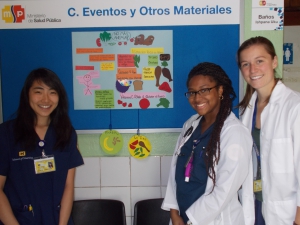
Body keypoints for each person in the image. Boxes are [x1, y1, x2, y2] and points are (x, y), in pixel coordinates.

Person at [162, 62, 254, 225]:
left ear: (220, 90)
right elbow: (175, 173)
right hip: (180, 219)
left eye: (204, 90)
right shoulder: (190, 125)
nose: (197, 98)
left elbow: (225, 190)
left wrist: (190, 220)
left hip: (213, 220)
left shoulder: (234, 132)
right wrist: (174, 214)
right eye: (192, 92)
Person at [0, 68, 84, 225]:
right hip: (19, 220)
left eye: (52, 92)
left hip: (57, 219)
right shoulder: (6, 134)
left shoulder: (66, 133)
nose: (46, 99)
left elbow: (68, 186)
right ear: (27, 95)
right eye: (38, 92)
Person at [237, 36, 300, 225]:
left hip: (287, 212)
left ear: (274, 62)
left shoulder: (294, 106)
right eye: (246, 64)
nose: (253, 70)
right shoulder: (246, 110)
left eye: (259, 61)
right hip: (254, 205)